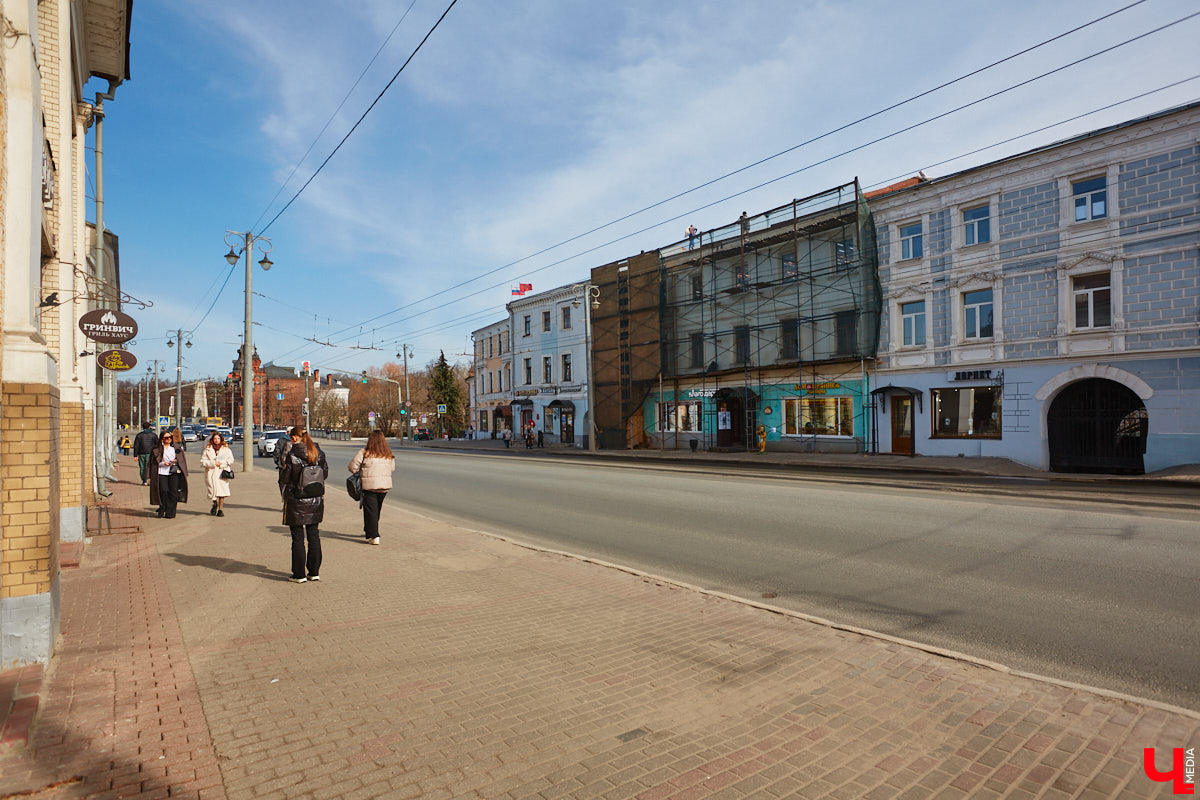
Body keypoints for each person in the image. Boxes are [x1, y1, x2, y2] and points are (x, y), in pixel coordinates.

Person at [279, 427, 328, 583]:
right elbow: (324, 474)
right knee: (314, 536)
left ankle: (299, 575)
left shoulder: (292, 455)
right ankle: (314, 572)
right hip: (315, 499)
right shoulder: (319, 453)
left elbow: (285, 478)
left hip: (296, 500)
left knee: (298, 538)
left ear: (294, 438)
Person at [348, 430, 396, 546]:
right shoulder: (388, 453)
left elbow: (352, 467)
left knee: (371, 510)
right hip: (384, 486)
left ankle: (374, 536)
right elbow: (392, 468)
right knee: (376, 509)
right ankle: (369, 530)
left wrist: (361, 472)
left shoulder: (364, 452)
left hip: (369, 486)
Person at [148, 430, 188, 519]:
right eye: (166, 438)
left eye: (170, 437)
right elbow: (153, 462)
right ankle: (162, 507)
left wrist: (176, 461)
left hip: (173, 472)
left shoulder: (176, 448)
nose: (169, 439)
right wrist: (163, 463)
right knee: (164, 491)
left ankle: (170, 512)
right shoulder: (157, 449)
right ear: (162, 439)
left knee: (173, 492)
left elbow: (181, 459)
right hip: (161, 472)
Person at [200, 432, 235, 517]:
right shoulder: (207, 449)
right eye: (215, 439)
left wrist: (223, 464)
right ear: (212, 440)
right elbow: (203, 462)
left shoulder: (226, 449)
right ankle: (215, 504)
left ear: (221, 439)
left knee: (221, 492)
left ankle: (220, 509)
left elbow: (231, 460)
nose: (217, 440)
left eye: (218, 439)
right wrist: (213, 463)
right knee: (213, 492)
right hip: (211, 473)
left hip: (221, 473)